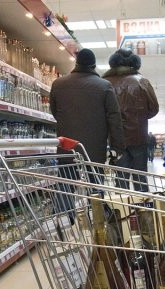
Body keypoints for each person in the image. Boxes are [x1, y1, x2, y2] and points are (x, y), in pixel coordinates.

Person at [49, 49, 125, 218]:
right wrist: (117, 147)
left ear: (76, 63)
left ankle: (64, 222)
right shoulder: (104, 86)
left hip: (67, 147)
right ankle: (98, 221)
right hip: (94, 149)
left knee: (65, 185)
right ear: (94, 65)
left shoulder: (58, 84)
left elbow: (55, 112)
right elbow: (115, 119)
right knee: (95, 186)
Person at [103, 49, 159, 192]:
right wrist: (138, 117)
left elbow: (100, 111)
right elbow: (154, 108)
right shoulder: (142, 81)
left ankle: (122, 206)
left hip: (116, 139)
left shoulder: (105, 83)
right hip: (139, 137)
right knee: (140, 178)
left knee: (120, 179)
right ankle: (143, 205)